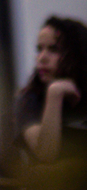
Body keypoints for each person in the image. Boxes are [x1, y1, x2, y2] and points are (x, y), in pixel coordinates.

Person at [15, 14, 87, 164]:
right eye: (39, 49)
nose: (41, 58)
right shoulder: (29, 100)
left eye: (53, 49)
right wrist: (55, 93)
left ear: (77, 54)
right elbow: (46, 155)